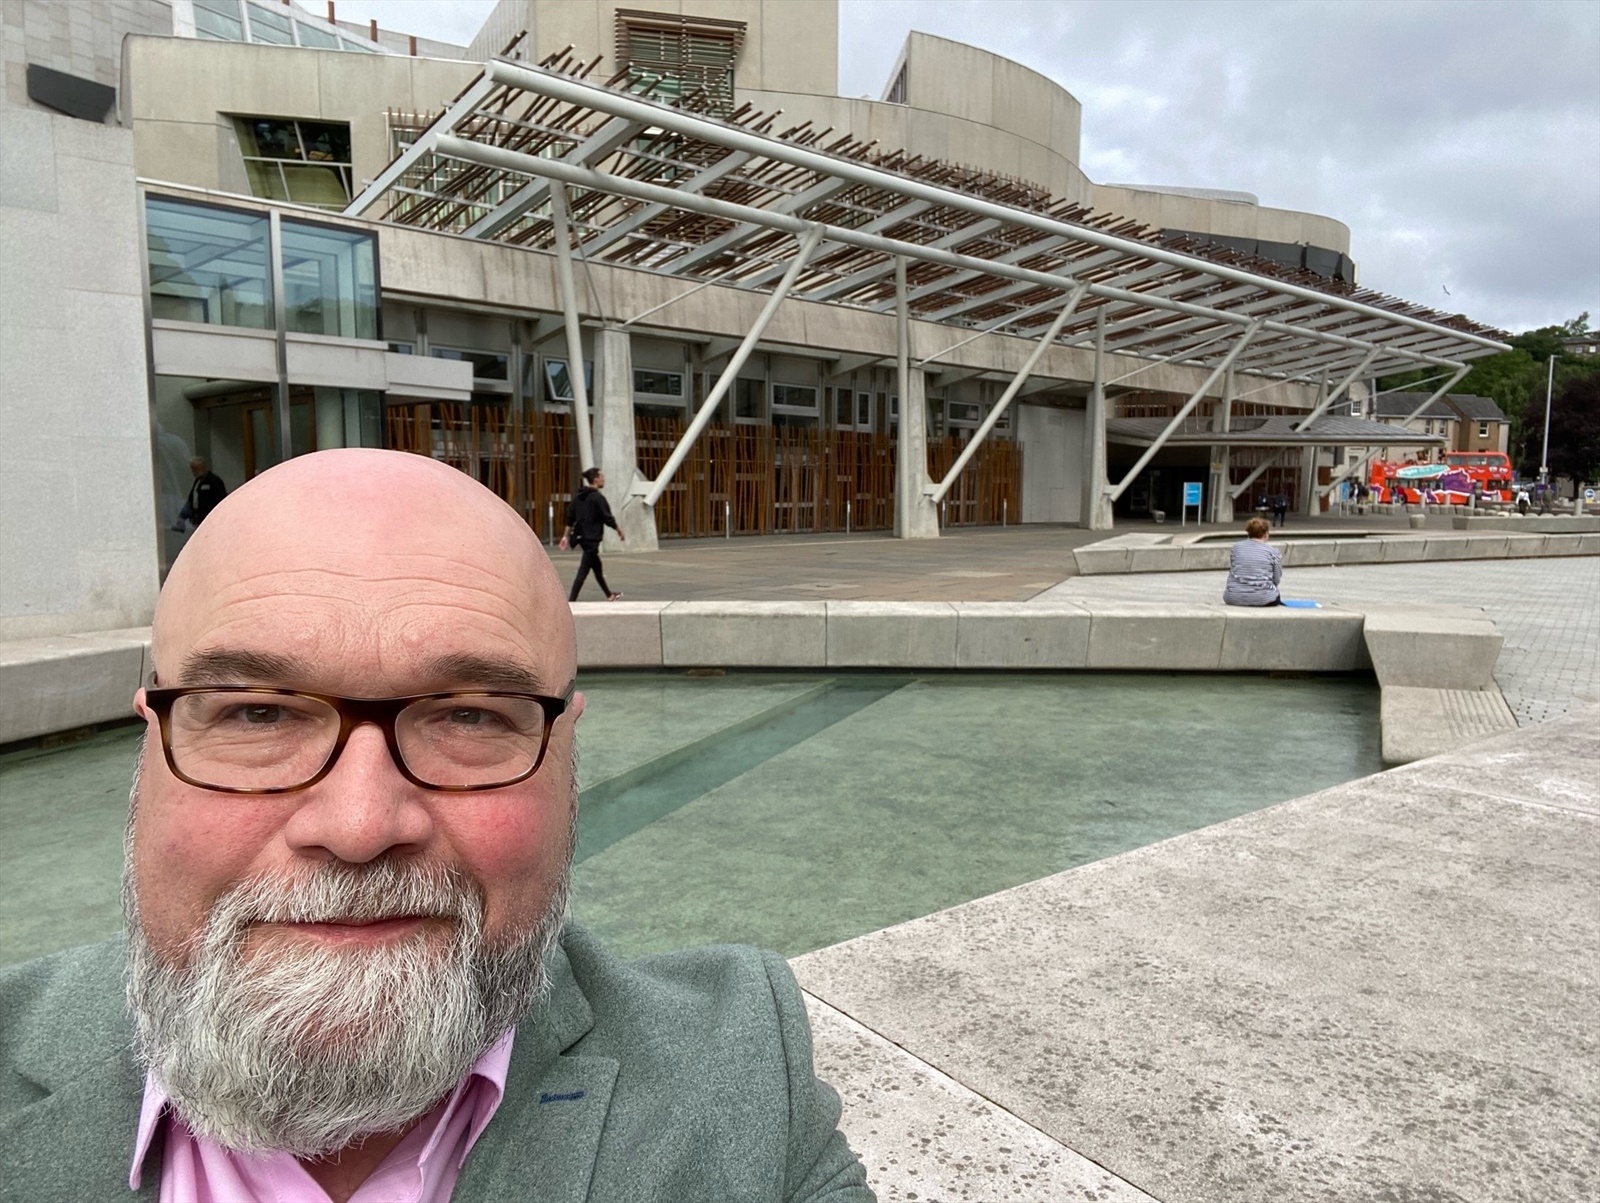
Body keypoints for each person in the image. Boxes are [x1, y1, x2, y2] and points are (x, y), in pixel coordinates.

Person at [0, 449, 870, 1203]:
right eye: (258, 715)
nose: (360, 822)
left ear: (567, 752)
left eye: (469, 717)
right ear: (148, 739)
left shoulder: (740, 1078)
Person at [559, 467, 624, 602]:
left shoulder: (578, 497)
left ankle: (609, 595)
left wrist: (565, 536)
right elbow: (607, 517)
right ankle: (571, 601)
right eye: (601, 477)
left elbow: (570, 518)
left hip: (582, 538)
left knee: (597, 568)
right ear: (595, 479)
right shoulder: (598, 498)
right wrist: (619, 530)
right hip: (592, 539)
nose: (603, 479)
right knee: (583, 571)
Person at [1223, 515, 1283, 607]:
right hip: (1264, 598)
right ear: (1266, 534)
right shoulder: (1273, 551)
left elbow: (1233, 567)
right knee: (1275, 595)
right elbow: (1277, 578)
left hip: (1233, 596)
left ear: (1248, 533)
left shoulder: (1236, 548)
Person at [181, 456, 227, 528]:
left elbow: (221, 499)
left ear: (202, 467)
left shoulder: (214, 481)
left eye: (195, 469)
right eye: (192, 469)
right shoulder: (197, 481)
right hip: (198, 518)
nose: (193, 472)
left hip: (210, 518)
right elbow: (192, 498)